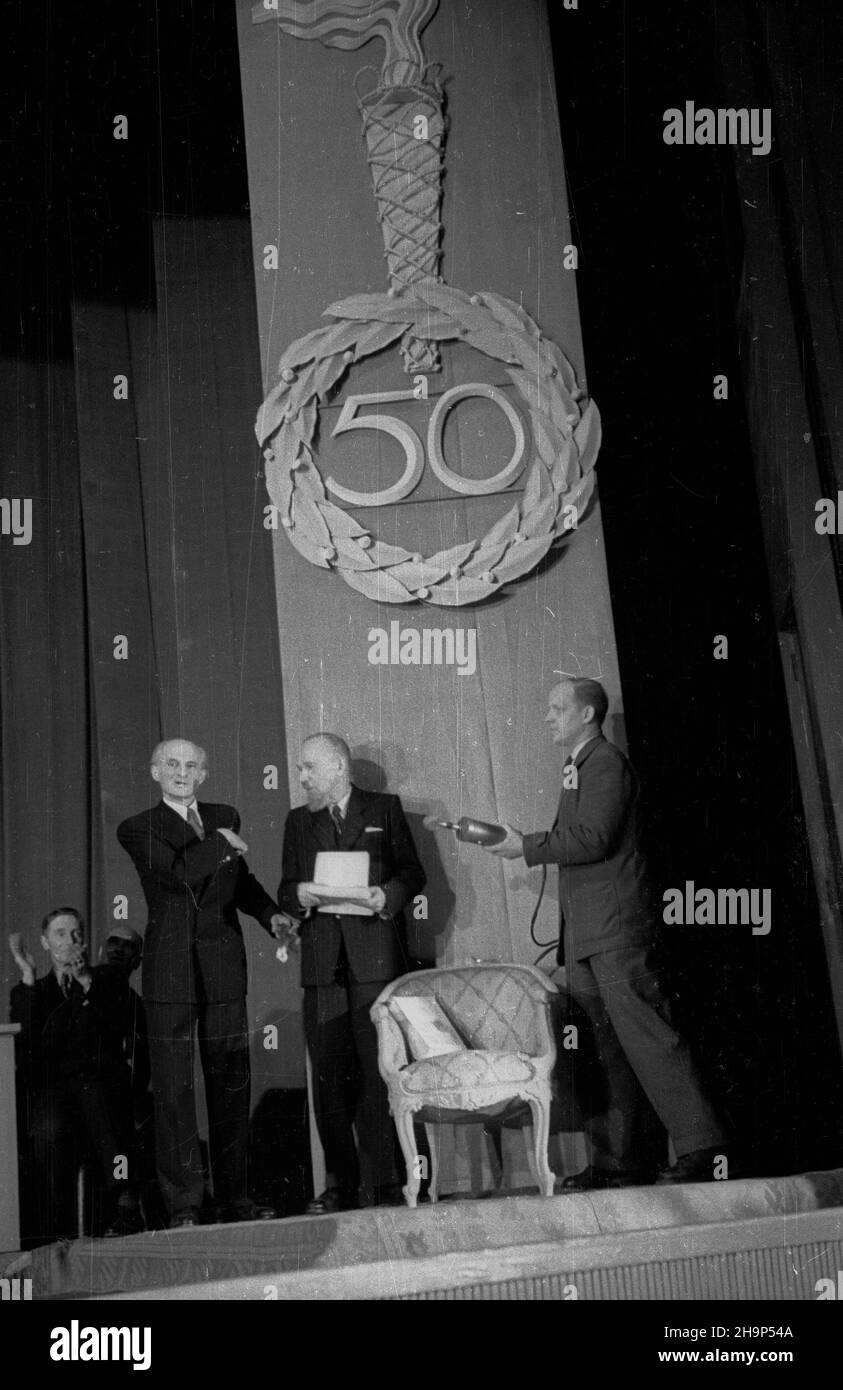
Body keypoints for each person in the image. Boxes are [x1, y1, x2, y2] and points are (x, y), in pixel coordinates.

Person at [483, 678, 730, 1188]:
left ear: (589, 713)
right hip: (587, 933)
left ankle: (703, 1147)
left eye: (557, 708)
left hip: (615, 929)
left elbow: (594, 838)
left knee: (647, 1035)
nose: (548, 717)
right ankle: (622, 1160)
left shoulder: (604, 763)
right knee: (603, 1048)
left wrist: (526, 845)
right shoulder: (577, 766)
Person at [117, 737, 296, 1228]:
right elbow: (178, 876)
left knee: (230, 1083)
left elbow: (236, 881)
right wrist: (222, 842)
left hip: (222, 969)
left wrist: (271, 915)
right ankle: (184, 1206)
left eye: (191, 765)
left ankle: (235, 1200)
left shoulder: (224, 815)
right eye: (171, 764)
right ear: (154, 771)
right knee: (174, 1093)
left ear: (203, 774)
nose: (181, 771)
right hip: (169, 974)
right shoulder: (136, 827)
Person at [278, 733, 425, 1212]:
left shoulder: (384, 808)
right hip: (322, 966)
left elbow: (411, 872)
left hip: (375, 961)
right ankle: (341, 1184)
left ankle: (383, 1181)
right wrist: (296, 893)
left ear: (338, 767)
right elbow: (284, 886)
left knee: (379, 1071)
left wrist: (387, 897)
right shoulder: (298, 822)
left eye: (308, 769)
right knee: (328, 1077)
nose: (301, 778)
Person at [9, 908, 144, 1242]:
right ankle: (58, 1223)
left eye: (76, 935)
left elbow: (121, 1026)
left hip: (100, 1087)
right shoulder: (30, 991)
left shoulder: (105, 981)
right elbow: (25, 1051)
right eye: (60, 934)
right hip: (56, 1093)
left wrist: (85, 982)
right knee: (47, 1128)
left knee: (98, 1099)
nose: (69, 942)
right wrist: (28, 975)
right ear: (44, 942)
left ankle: (126, 1199)